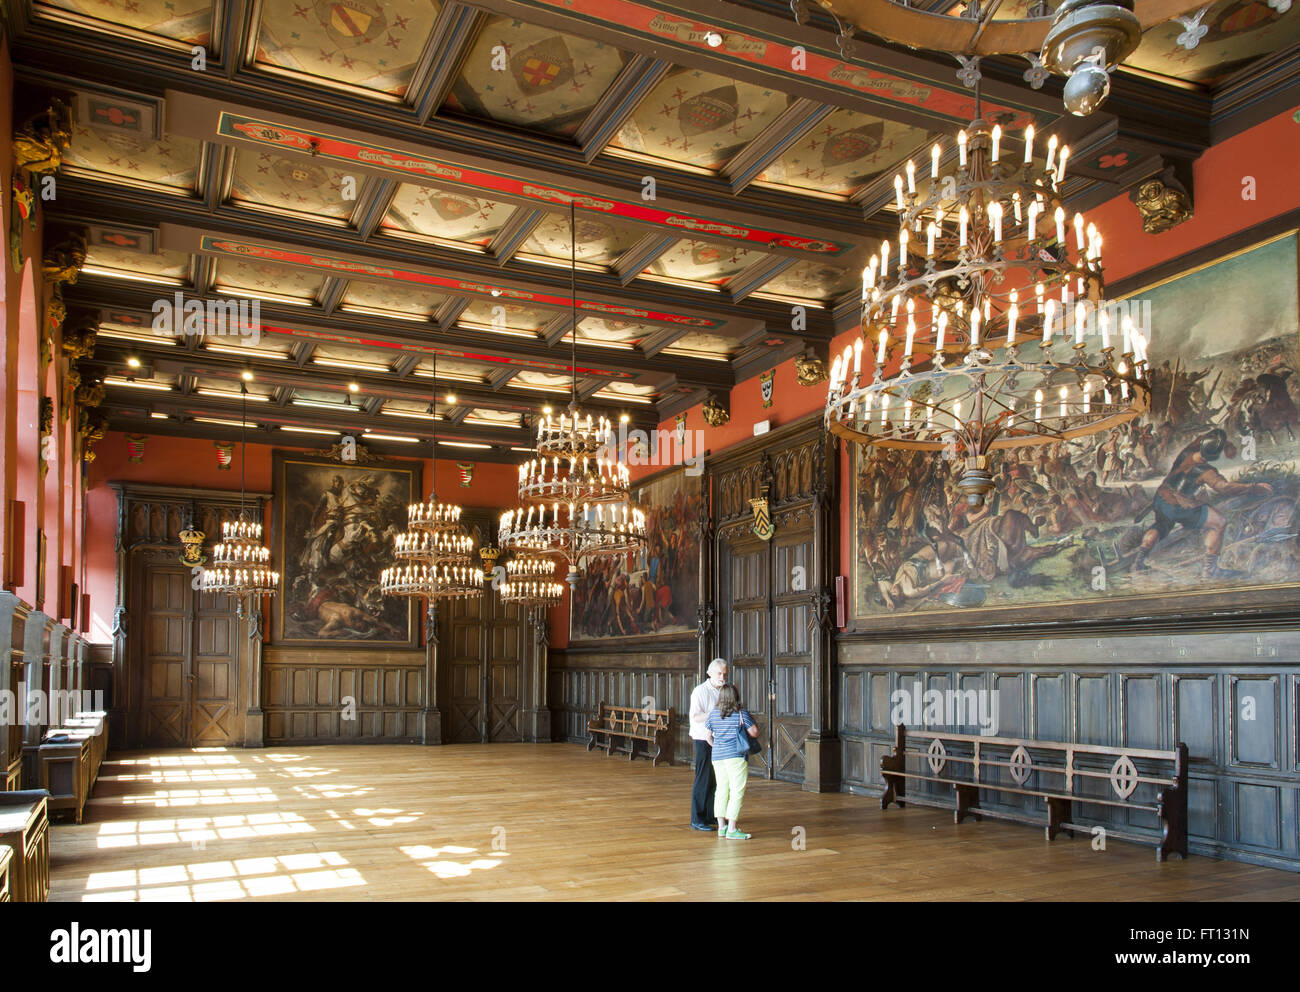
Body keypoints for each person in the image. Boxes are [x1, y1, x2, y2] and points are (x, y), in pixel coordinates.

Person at [1132, 428, 1272, 579]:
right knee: (1219, 522)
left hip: (1160, 498)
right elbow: (1224, 488)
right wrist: (1254, 487)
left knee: (1161, 526)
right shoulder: (1206, 471)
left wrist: (1225, 444)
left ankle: (1137, 563)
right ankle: (1210, 571)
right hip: (1178, 506)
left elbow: (1205, 437)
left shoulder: (1188, 451)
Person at [705, 685, 758, 840]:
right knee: (736, 791)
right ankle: (732, 829)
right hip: (736, 756)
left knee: (721, 789)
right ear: (736, 696)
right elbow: (754, 732)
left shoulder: (714, 713)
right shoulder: (741, 713)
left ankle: (722, 827)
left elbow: (708, 736)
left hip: (717, 756)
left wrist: (718, 746)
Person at [688, 658, 727, 831]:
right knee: (703, 778)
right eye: (719, 673)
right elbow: (695, 717)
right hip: (703, 739)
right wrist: (713, 713)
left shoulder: (726, 690)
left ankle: (711, 815)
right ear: (710, 673)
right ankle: (697, 818)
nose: (723, 677)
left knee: (716, 779)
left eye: (725, 673)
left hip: (720, 740)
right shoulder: (700, 691)